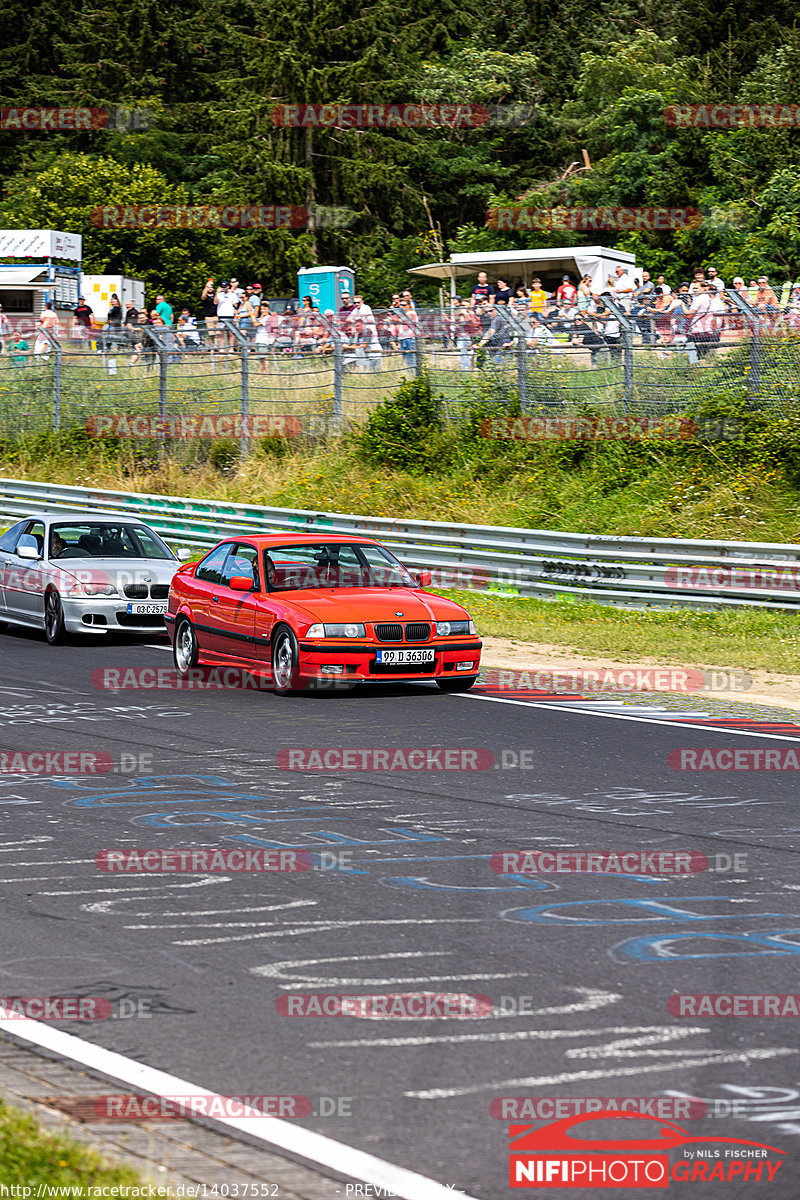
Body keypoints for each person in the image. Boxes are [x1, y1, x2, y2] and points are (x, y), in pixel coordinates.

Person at [201, 276, 218, 342]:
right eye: (209, 288)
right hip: (209, 317)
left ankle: (219, 349)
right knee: (211, 335)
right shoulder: (206, 297)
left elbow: (216, 302)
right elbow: (203, 296)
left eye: (211, 287)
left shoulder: (216, 296)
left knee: (219, 334)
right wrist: (207, 286)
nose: (210, 289)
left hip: (216, 316)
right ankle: (212, 349)